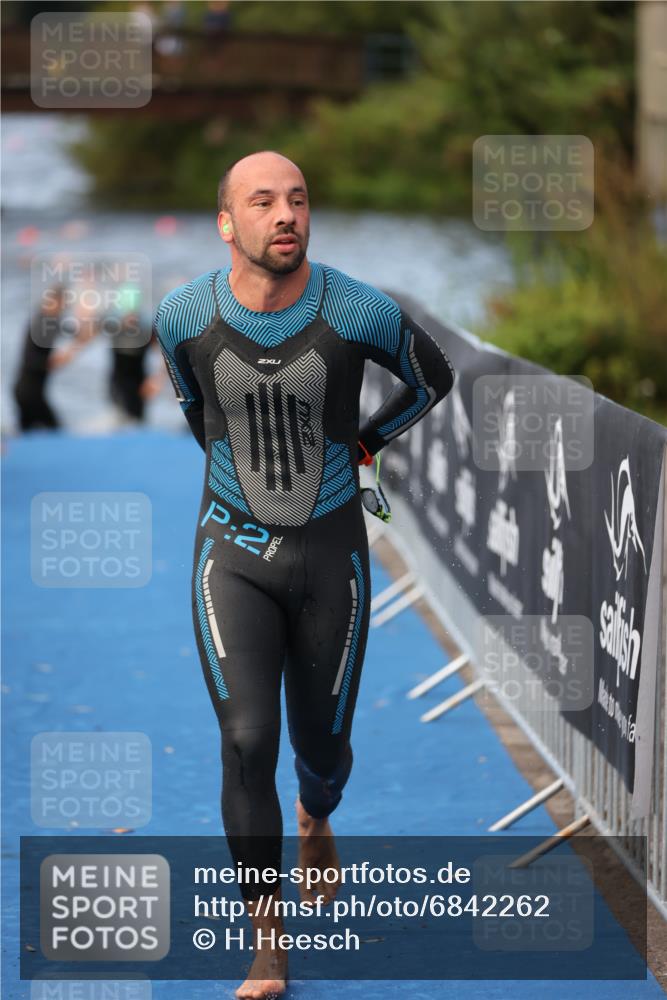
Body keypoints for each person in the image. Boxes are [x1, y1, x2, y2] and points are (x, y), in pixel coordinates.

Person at [154, 150, 455, 999]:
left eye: (297, 199)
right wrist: (241, 487)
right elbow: (193, 407)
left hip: (331, 556)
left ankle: (316, 815)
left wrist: (366, 444)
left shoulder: (357, 309)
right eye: (262, 201)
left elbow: (434, 378)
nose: (284, 213)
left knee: (319, 749)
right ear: (228, 224)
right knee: (248, 743)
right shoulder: (182, 315)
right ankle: (267, 943)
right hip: (230, 554)